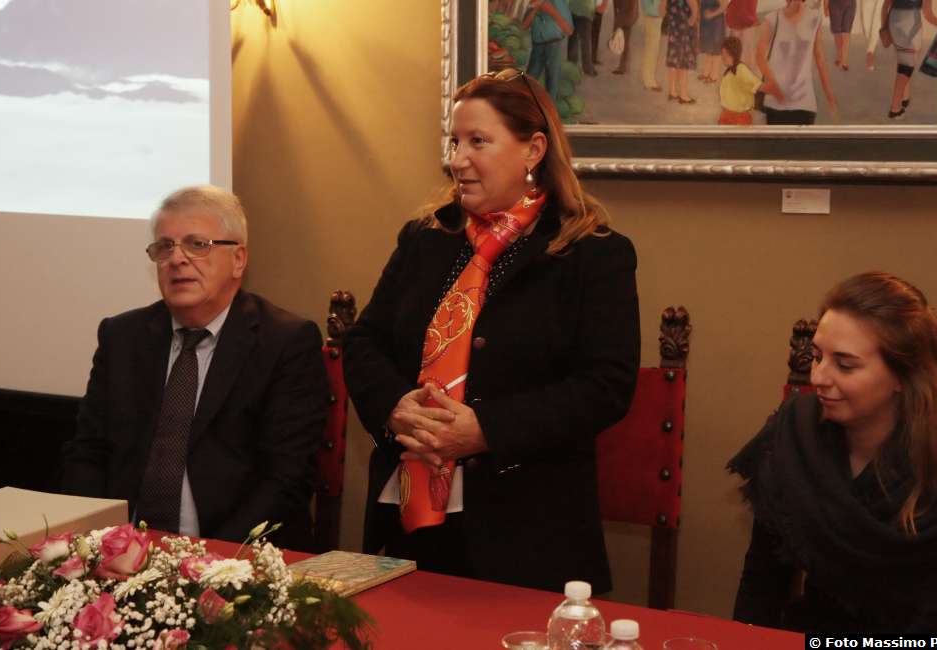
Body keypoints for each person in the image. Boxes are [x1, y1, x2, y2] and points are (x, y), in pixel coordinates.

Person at [343, 68, 639, 593]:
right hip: (408, 527)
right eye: (454, 142)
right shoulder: (425, 239)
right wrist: (394, 407)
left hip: (526, 538)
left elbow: (605, 386)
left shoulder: (593, 254)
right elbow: (365, 343)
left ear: (534, 150)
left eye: (478, 141)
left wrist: (486, 430)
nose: (458, 159)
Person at [61, 186, 329, 551]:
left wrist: (210, 557)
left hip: (235, 554)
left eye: (197, 244)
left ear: (238, 259)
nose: (177, 259)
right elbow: (87, 454)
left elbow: (285, 480)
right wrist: (98, 544)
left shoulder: (285, 342)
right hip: (123, 553)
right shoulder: (122, 336)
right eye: (164, 247)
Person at [729, 272, 937, 632]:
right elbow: (762, 583)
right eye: (817, 357)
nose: (818, 377)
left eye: (845, 365)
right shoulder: (797, 433)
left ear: (904, 376)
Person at [756, 0, 839, 125]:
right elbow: (759, 57)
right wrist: (773, 87)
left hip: (805, 102)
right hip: (776, 102)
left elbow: (820, 58)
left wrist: (830, 96)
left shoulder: (815, 18)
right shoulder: (772, 19)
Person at [881, 0, 937, 118]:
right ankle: (895, 107)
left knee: (904, 60)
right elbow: (928, 13)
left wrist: (884, 27)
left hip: (894, 19)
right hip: (910, 23)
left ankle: (905, 97)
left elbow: (885, 6)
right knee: (906, 66)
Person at [524, 0, 575, 99]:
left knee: (552, 82)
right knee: (529, 80)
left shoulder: (559, 2)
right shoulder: (533, 2)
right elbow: (524, 25)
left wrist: (551, 11)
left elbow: (569, 30)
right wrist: (535, 9)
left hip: (553, 45)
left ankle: (549, 106)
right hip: (537, 46)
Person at [718, 35, 766, 124]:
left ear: (732, 54)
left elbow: (758, 85)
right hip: (727, 114)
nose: (722, 57)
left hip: (740, 117)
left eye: (725, 54)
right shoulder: (729, 72)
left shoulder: (741, 69)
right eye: (722, 54)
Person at [662, 0, 701, 102]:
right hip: (684, 29)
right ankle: (683, 94)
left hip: (674, 28)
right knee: (684, 61)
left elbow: (661, 9)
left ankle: (672, 91)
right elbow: (694, 7)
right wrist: (692, 21)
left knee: (674, 60)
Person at [825, 0, 857, 70]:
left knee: (846, 31)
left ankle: (844, 60)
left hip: (850, 4)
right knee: (837, 32)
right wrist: (825, 6)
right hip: (834, 4)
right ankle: (839, 55)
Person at [612, 0, 640, 74]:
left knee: (624, 40)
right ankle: (624, 66)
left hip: (625, 15)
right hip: (626, 14)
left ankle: (623, 67)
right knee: (625, 40)